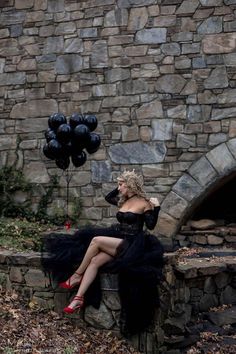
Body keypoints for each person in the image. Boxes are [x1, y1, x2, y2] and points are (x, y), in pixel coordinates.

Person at [42, 170, 164, 336]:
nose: (119, 188)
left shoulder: (145, 203)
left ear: (131, 185)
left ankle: (77, 276)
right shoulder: (123, 200)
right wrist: (121, 187)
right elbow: (109, 197)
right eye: (119, 184)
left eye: (121, 184)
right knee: (95, 261)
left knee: (96, 241)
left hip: (133, 244)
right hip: (118, 240)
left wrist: (156, 207)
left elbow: (150, 225)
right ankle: (78, 298)